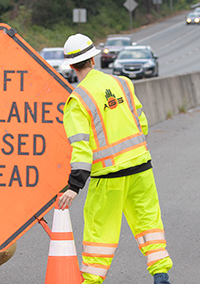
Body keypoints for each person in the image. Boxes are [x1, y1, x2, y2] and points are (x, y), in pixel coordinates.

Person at [58, 33, 173, 284]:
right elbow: (141, 122)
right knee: (148, 222)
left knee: (100, 234)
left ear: (70, 64)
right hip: (141, 167)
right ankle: (161, 275)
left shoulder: (78, 100)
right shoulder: (123, 83)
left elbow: (81, 147)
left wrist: (74, 185)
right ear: (93, 58)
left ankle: (92, 281)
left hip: (108, 178)